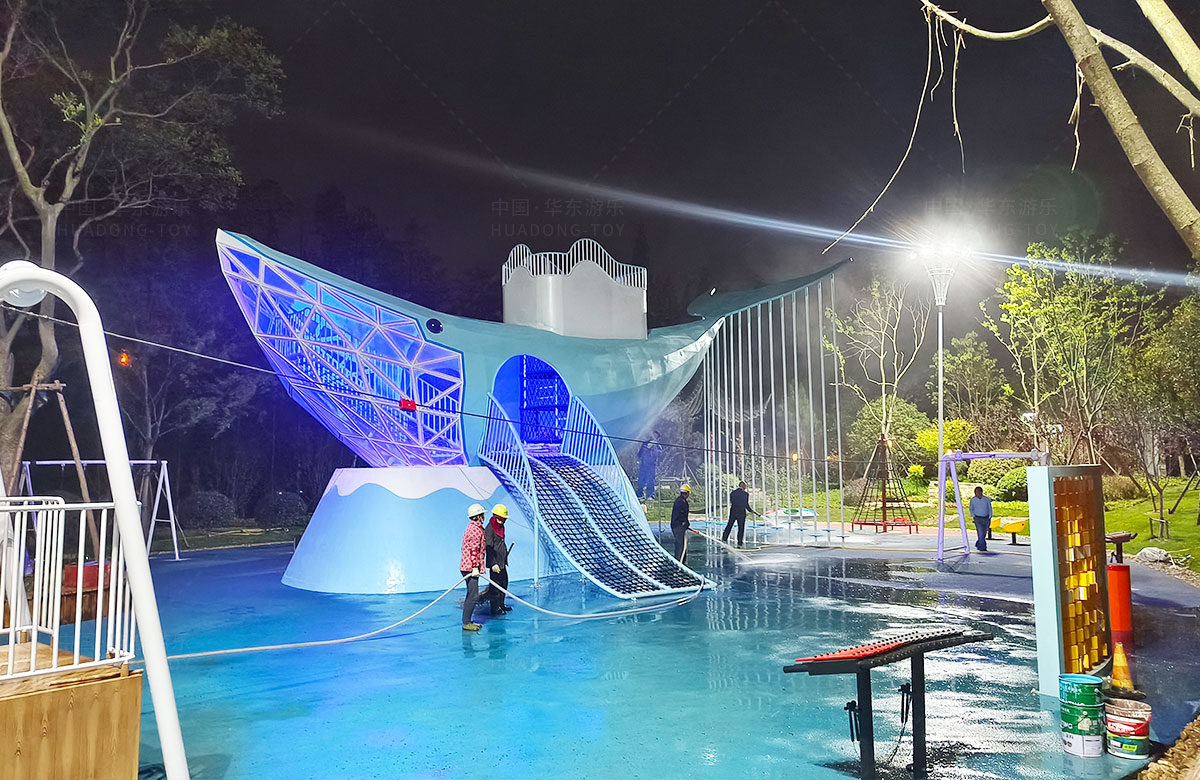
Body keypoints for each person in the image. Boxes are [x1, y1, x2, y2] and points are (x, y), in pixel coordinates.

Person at [459, 503, 487, 631]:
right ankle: (466, 623)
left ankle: (468, 621)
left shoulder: (474, 528)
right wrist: (475, 566)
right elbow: (474, 549)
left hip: (469, 566)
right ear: (478, 516)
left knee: (471, 594)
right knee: (473, 596)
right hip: (470, 568)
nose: (484, 517)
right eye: (482, 515)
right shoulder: (475, 530)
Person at [483, 503, 511, 616]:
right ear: (495, 517)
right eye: (500, 519)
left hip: (502, 562)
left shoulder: (501, 527)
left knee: (504, 583)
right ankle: (495, 608)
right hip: (495, 563)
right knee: (495, 586)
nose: (502, 521)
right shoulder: (489, 529)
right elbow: (488, 548)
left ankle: (501, 604)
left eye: (504, 519)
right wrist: (493, 563)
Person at [722, 480, 759, 547]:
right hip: (741, 512)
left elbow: (732, 502)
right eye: (745, 485)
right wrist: (751, 511)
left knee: (729, 525)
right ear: (744, 486)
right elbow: (746, 505)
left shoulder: (733, 493)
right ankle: (739, 543)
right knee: (741, 528)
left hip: (733, 511)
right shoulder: (745, 494)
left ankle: (724, 539)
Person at [637, 432, 662, 500]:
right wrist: (645, 449)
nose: (653, 437)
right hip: (643, 465)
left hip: (651, 466)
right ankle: (639, 495)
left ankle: (650, 496)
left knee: (650, 480)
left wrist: (653, 450)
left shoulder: (658, 446)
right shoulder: (645, 443)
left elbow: (659, 455)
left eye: (656, 436)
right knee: (641, 480)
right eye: (653, 435)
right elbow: (639, 454)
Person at [670, 484, 691, 562]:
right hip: (678, 527)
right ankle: (680, 562)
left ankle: (681, 561)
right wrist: (685, 523)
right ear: (687, 493)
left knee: (680, 545)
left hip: (676, 526)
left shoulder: (679, 500)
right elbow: (681, 515)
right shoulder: (681, 502)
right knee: (681, 546)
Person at [969, 486, 993, 552]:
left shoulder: (986, 499)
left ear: (981, 492)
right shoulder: (973, 500)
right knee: (980, 533)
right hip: (978, 518)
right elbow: (971, 508)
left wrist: (990, 516)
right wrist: (973, 515)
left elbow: (989, 508)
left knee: (984, 533)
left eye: (978, 491)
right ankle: (983, 547)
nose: (976, 493)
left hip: (986, 518)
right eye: (975, 492)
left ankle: (978, 544)